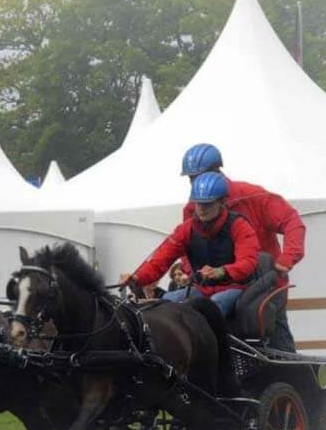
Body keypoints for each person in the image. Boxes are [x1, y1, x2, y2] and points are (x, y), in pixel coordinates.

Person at [178, 143, 305, 351]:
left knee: (277, 347)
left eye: (198, 177)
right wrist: (190, 271)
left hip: (264, 286)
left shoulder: (253, 196)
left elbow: (292, 221)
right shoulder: (193, 208)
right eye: (191, 179)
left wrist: (286, 259)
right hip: (218, 287)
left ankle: (293, 380)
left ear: (216, 171)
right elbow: (186, 246)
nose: (195, 183)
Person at [121, 172, 259, 317]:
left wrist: (221, 271)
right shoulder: (186, 229)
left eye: (208, 203)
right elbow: (160, 261)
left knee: (213, 306)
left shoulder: (239, 226)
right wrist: (137, 277)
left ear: (222, 202)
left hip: (235, 287)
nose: (201, 208)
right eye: (198, 202)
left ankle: (216, 340)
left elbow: (248, 262)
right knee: (164, 302)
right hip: (202, 289)